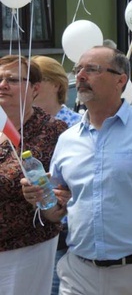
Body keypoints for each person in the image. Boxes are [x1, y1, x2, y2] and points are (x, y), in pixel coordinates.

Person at [23, 46, 132, 295]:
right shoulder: (68, 139)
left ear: (121, 80)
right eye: (78, 70)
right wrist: (40, 199)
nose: (80, 76)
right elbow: (57, 210)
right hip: (78, 271)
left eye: (92, 69)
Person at [0, 56, 67, 295]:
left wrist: (43, 196)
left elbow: (62, 199)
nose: (2, 84)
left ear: (35, 88)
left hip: (25, 251)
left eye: (12, 79)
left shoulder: (53, 131)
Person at [31, 55, 81, 295]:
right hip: (24, 230)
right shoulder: (17, 125)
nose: (32, 86)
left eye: (37, 80)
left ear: (57, 85)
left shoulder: (77, 124)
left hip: (63, 229)